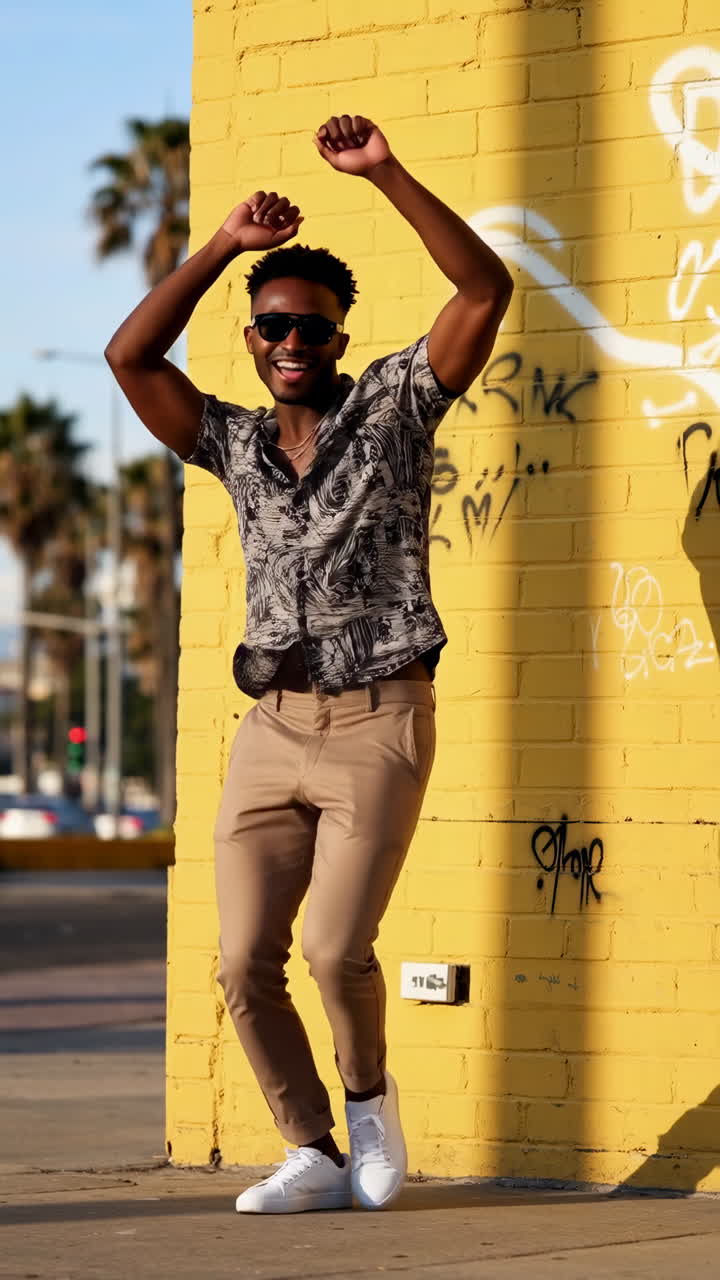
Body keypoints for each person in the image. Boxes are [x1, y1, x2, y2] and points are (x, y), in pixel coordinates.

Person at [105, 113, 512, 1214]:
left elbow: (483, 292)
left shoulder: (391, 410)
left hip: (380, 718)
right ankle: (313, 1150)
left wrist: (385, 174)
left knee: (336, 948)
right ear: (252, 335)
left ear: (339, 339)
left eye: (314, 330)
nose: (294, 342)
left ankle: (371, 1101)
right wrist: (225, 245)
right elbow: (129, 356)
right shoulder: (231, 441)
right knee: (243, 964)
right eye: (275, 325)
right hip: (270, 727)